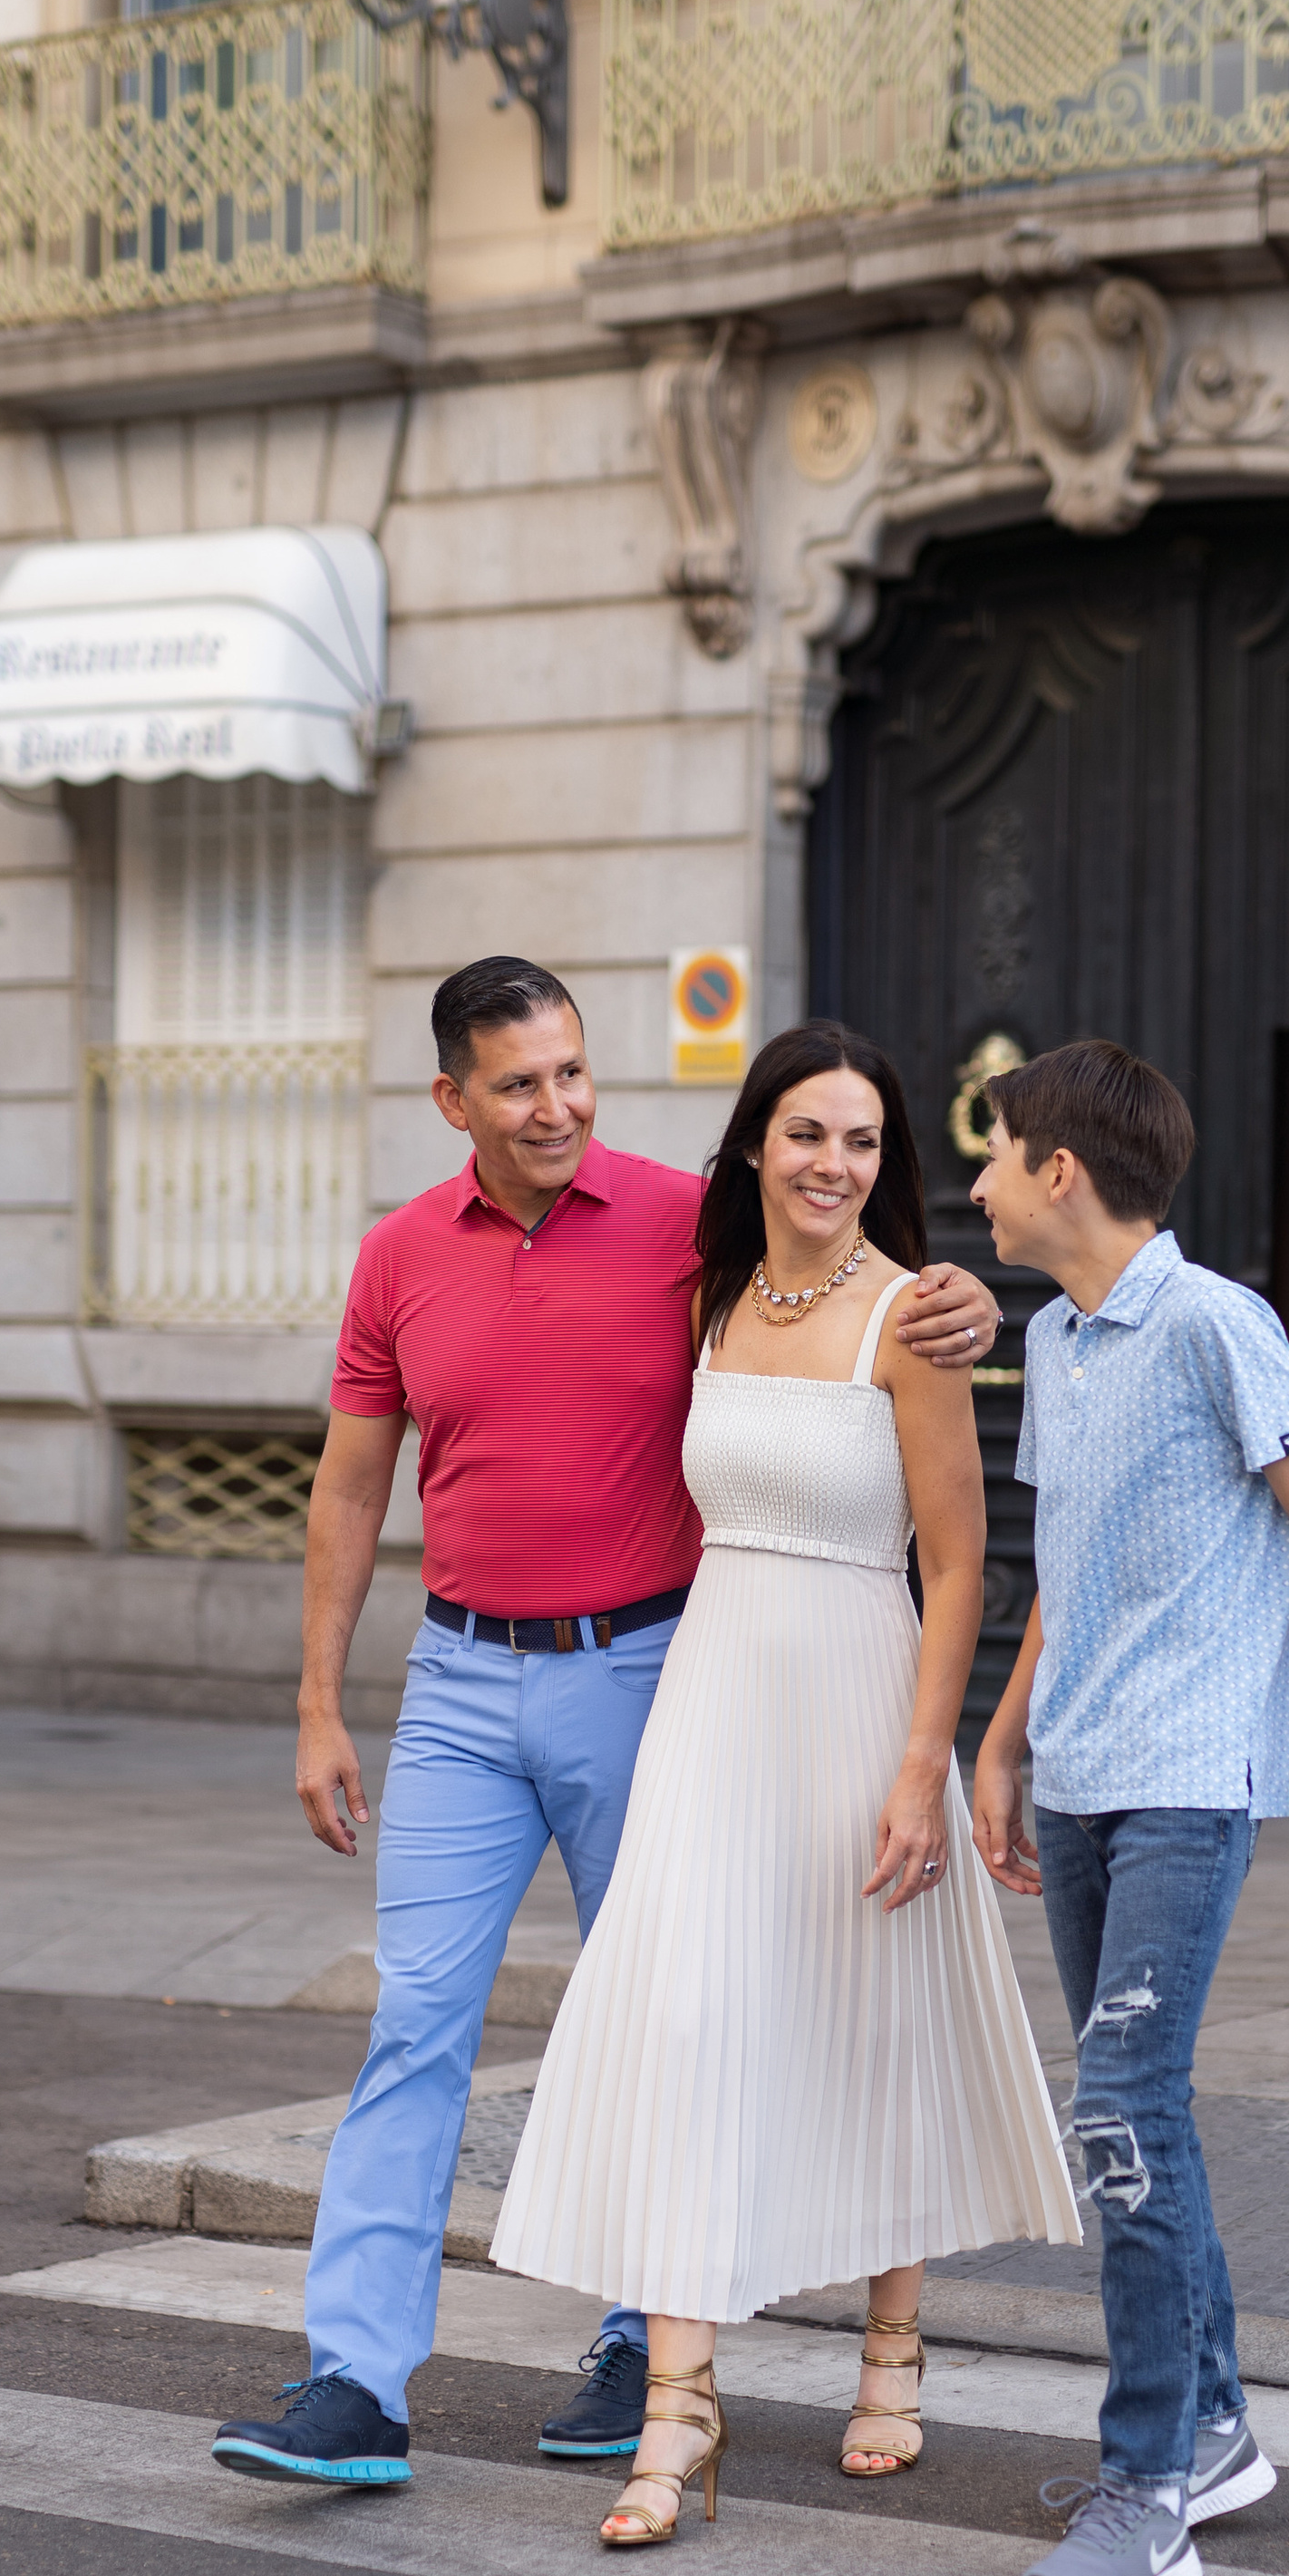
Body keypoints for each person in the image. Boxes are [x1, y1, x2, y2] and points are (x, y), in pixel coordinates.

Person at [210, 962, 1003, 2493]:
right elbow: (351, 1487)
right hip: (456, 1682)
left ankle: (648, 2343)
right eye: (518, 1084)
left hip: (648, 1671)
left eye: (571, 1072)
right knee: (413, 2024)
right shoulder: (395, 1259)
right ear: (453, 1100)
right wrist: (317, 1703)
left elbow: (832, 1258)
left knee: (662, 2018)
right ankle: (355, 2382)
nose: (556, 1106)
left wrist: (956, 1294)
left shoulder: (679, 1225)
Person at [490, 1022, 1084, 2546]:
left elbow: (961, 1567)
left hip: (861, 1697)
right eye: (808, 1133)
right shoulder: (709, 1296)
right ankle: (681, 2405)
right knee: (687, 2020)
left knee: (877, 2017)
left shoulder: (912, 1317)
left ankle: (893, 2349)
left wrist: (923, 1766)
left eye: (863, 1141)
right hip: (714, 1700)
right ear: (756, 1141)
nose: (834, 1164)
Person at [967, 1038, 1289, 2576]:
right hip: (1080, 1773)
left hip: (1190, 1777)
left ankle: (1147, 2488)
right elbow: (1065, 1569)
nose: (977, 1181)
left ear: (1061, 1171)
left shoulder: (1219, 1323)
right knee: (1141, 2110)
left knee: (1120, 2111)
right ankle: (1213, 2426)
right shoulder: (1056, 1340)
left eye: (996, 1152)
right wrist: (1002, 1742)